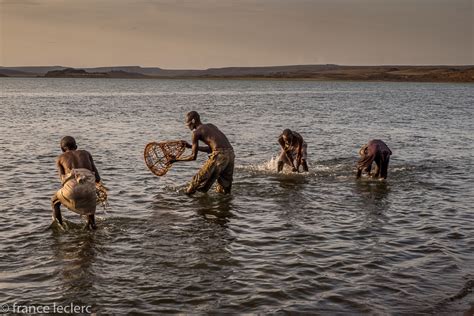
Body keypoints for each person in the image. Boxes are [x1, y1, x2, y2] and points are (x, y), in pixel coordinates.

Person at [171, 111, 235, 195]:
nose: (188, 127)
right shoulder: (211, 126)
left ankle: (186, 201)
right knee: (225, 190)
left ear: (193, 121)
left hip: (219, 156)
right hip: (231, 154)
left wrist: (176, 160)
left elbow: (193, 157)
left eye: (189, 124)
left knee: (196, 182)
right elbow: (212, 148)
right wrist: (191, 146)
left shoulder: (196, 133)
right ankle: (226, 206)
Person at [51, 136, 101, 230]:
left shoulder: (60, 158)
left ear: (62, 149)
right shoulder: (86, 153)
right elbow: (97, 178)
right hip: (89, 190)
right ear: (76, 146)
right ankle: (92, 227)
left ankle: (59, 228)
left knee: (54, 202)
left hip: (72, 189)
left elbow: (63, 180)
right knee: (89, 206)